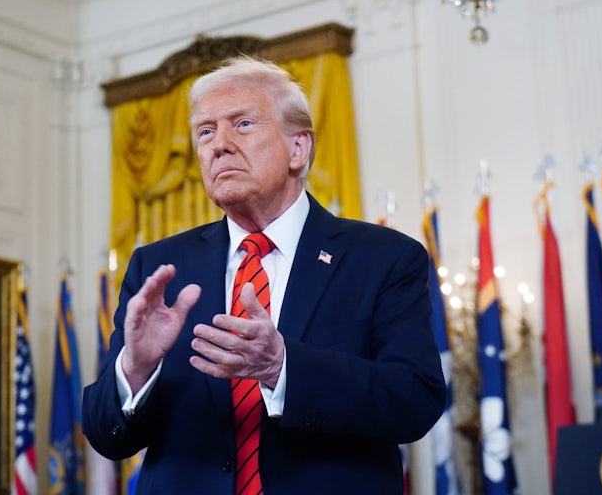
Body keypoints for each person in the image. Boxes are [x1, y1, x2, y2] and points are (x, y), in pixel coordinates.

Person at [82, 56, 446, 494]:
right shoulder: (159, 268)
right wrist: (135, 369)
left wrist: (283, 366)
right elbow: (107, 436)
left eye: (243, 123)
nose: (219, 144)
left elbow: (414, 402)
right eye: (205, 131)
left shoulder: (384, 258)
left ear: (299, 148)